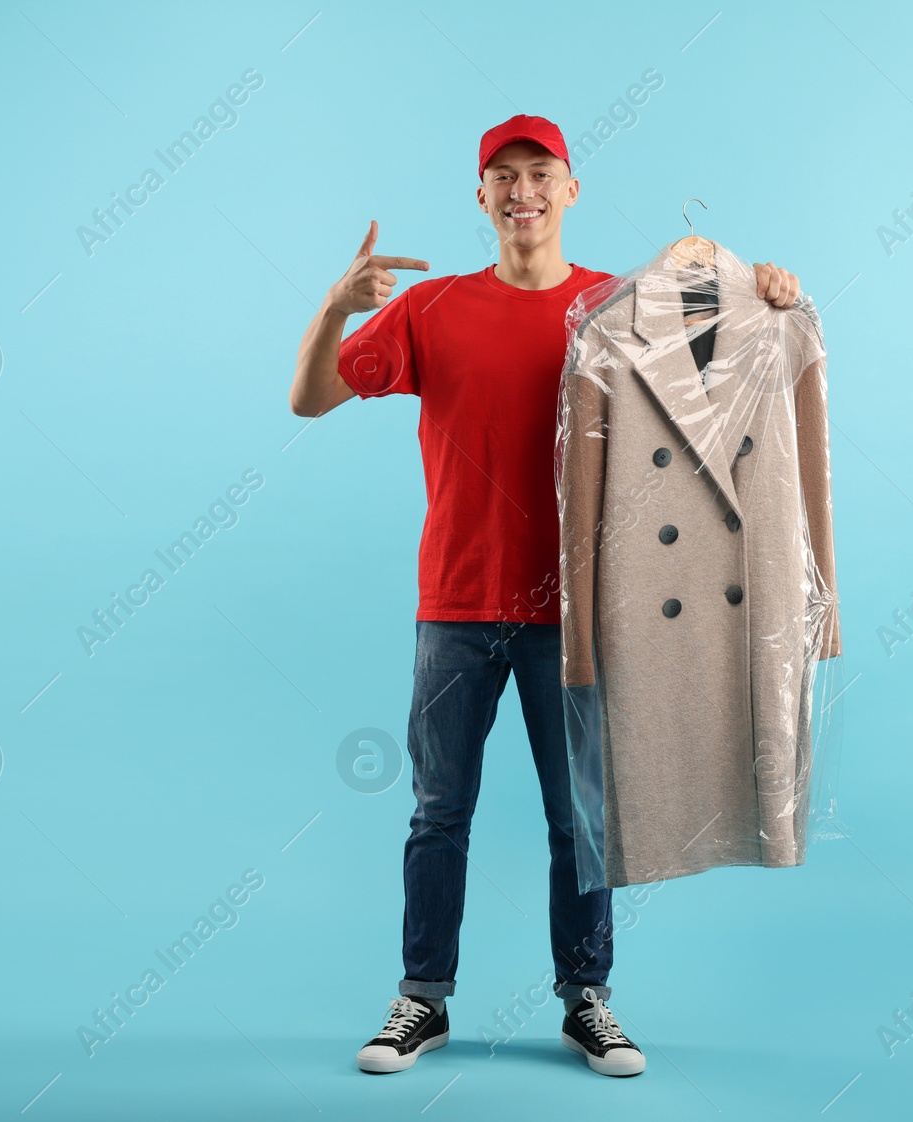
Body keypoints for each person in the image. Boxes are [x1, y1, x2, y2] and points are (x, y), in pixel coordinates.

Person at [288, 114, 802, 1078]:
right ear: (480, 199)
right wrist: (335, 307)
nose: (522, 190)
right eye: (502, 176)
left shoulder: (618, 307)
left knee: (582, 816)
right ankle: (422, 999)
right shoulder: (430, 308)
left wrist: (767, 291)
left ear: (571, 191)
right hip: (454, 604)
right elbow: (309, 399)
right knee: (439, 811)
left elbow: (731, 375)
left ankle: (588, 998)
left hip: (580, 614)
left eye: (541, 173)